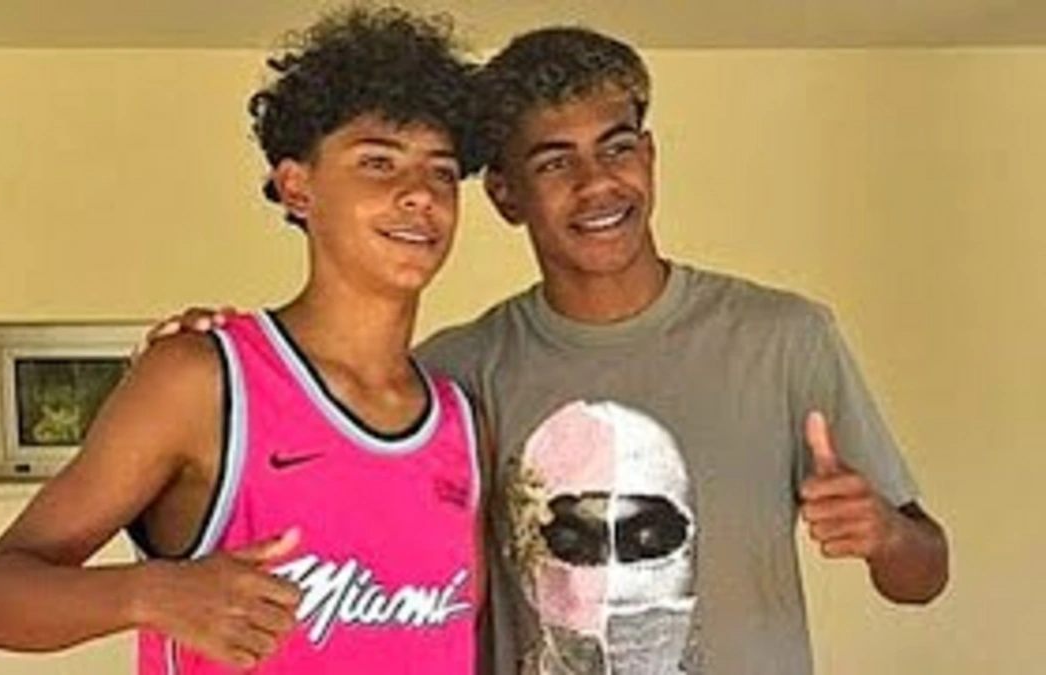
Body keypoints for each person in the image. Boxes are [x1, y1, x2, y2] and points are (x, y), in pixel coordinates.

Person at [150, 24, 950, 675]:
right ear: (505, 193)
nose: (598, 183)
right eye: (556, 161)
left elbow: (925, 573)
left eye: (617, 147)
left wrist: (885, 532)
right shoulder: (454, 376)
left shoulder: (784, 338)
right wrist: (211, 356)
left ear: (649, 155)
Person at [0, 7, 486, 675]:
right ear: (297, 188)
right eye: (378, 162)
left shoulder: (460, 419)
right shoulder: (202, 377)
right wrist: (148, 593)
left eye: (441, 172)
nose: (419, 195)